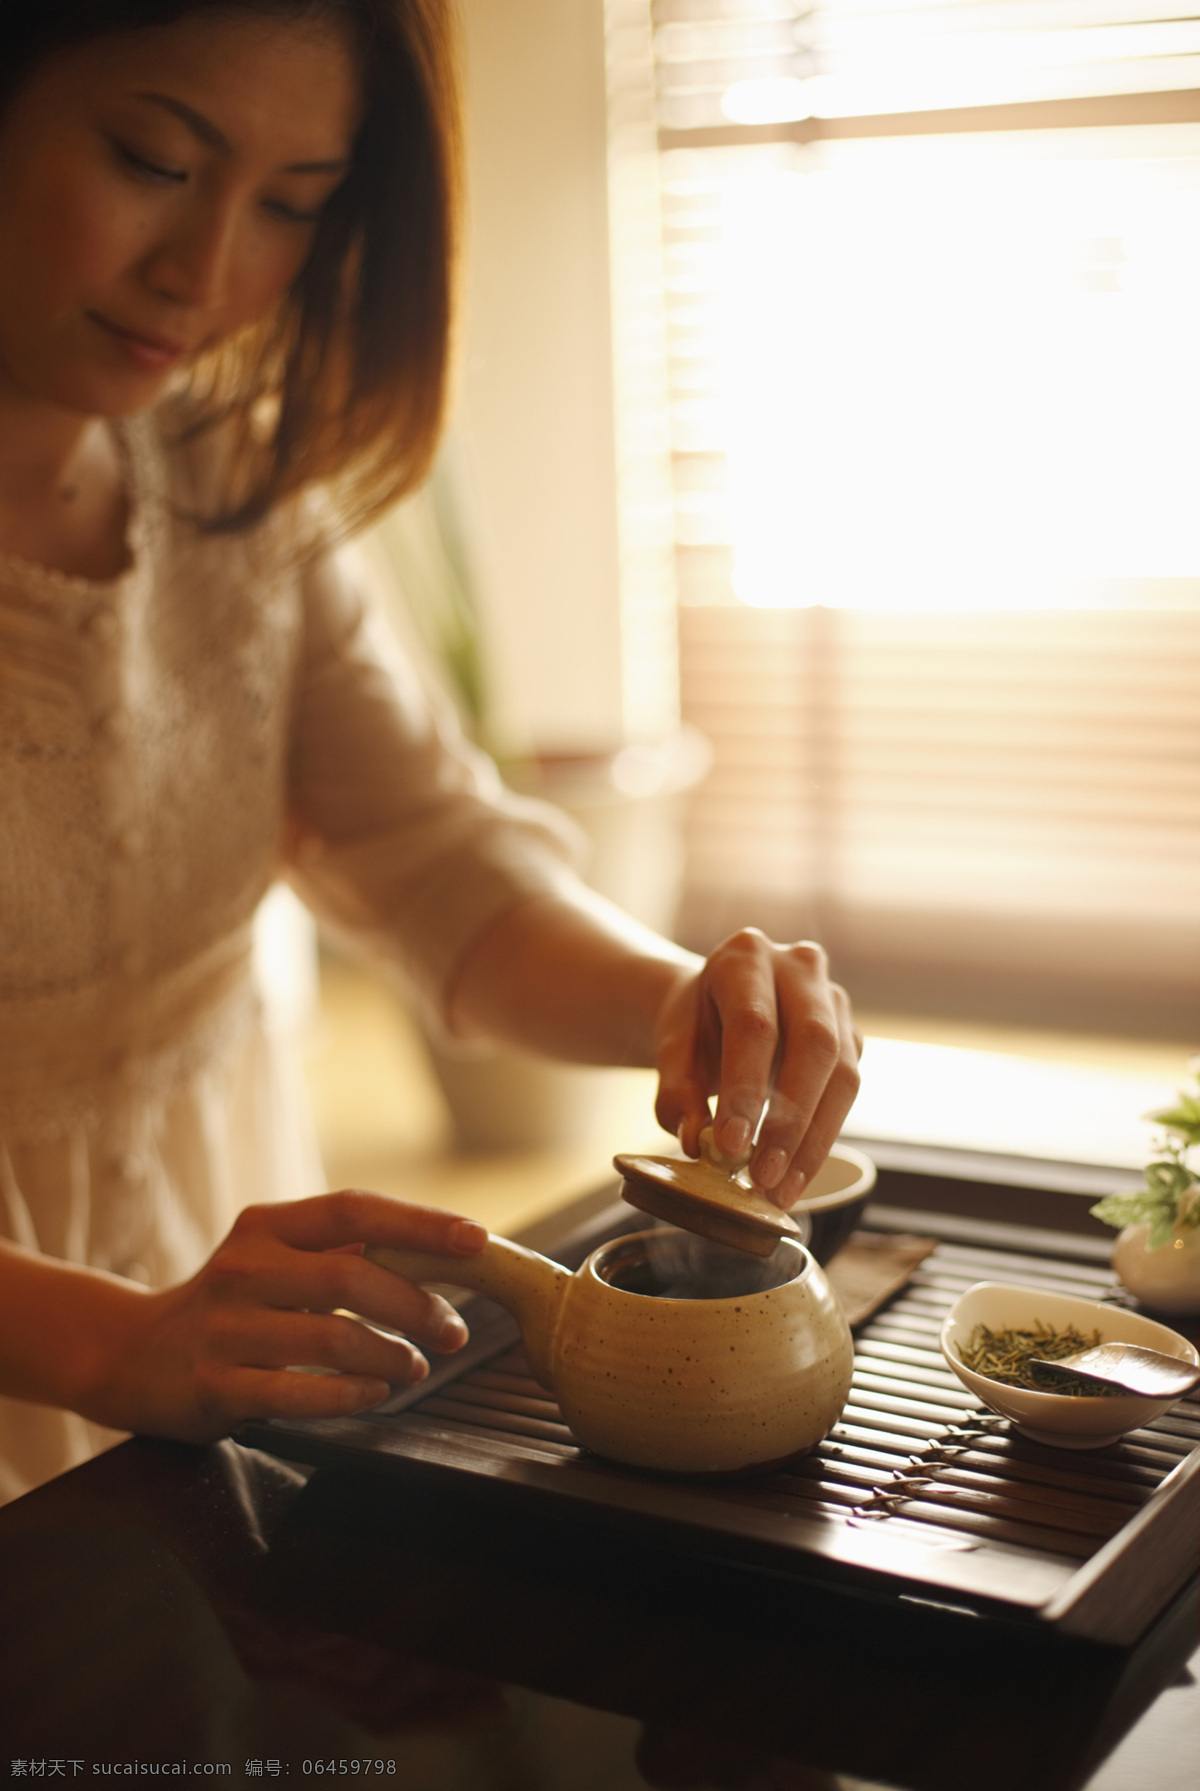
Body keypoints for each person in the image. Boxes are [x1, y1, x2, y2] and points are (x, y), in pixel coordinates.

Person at [0, 0, 861, 1505]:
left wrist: (686, 1009)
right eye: (150, 159)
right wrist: (113, 1347)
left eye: (292, 206)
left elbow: (430, 857)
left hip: (205, 1325)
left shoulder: (230, 477)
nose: (205, 276)